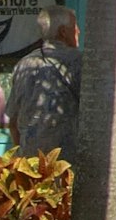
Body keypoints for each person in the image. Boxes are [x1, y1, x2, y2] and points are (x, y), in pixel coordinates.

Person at [5, 12, 80, 157]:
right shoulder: (78, 61)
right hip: (67, 162)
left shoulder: (24, 63)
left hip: (30, 160)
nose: (78, 30)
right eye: (75, 26)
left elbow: (13, 121)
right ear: (63, 32)